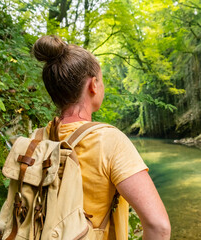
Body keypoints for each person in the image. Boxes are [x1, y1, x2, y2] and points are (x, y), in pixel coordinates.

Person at [32, 35, 171, 240]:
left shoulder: (37, 139)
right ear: (93, 85)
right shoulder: (109, 141)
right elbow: (159, 227)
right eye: (101, 80)